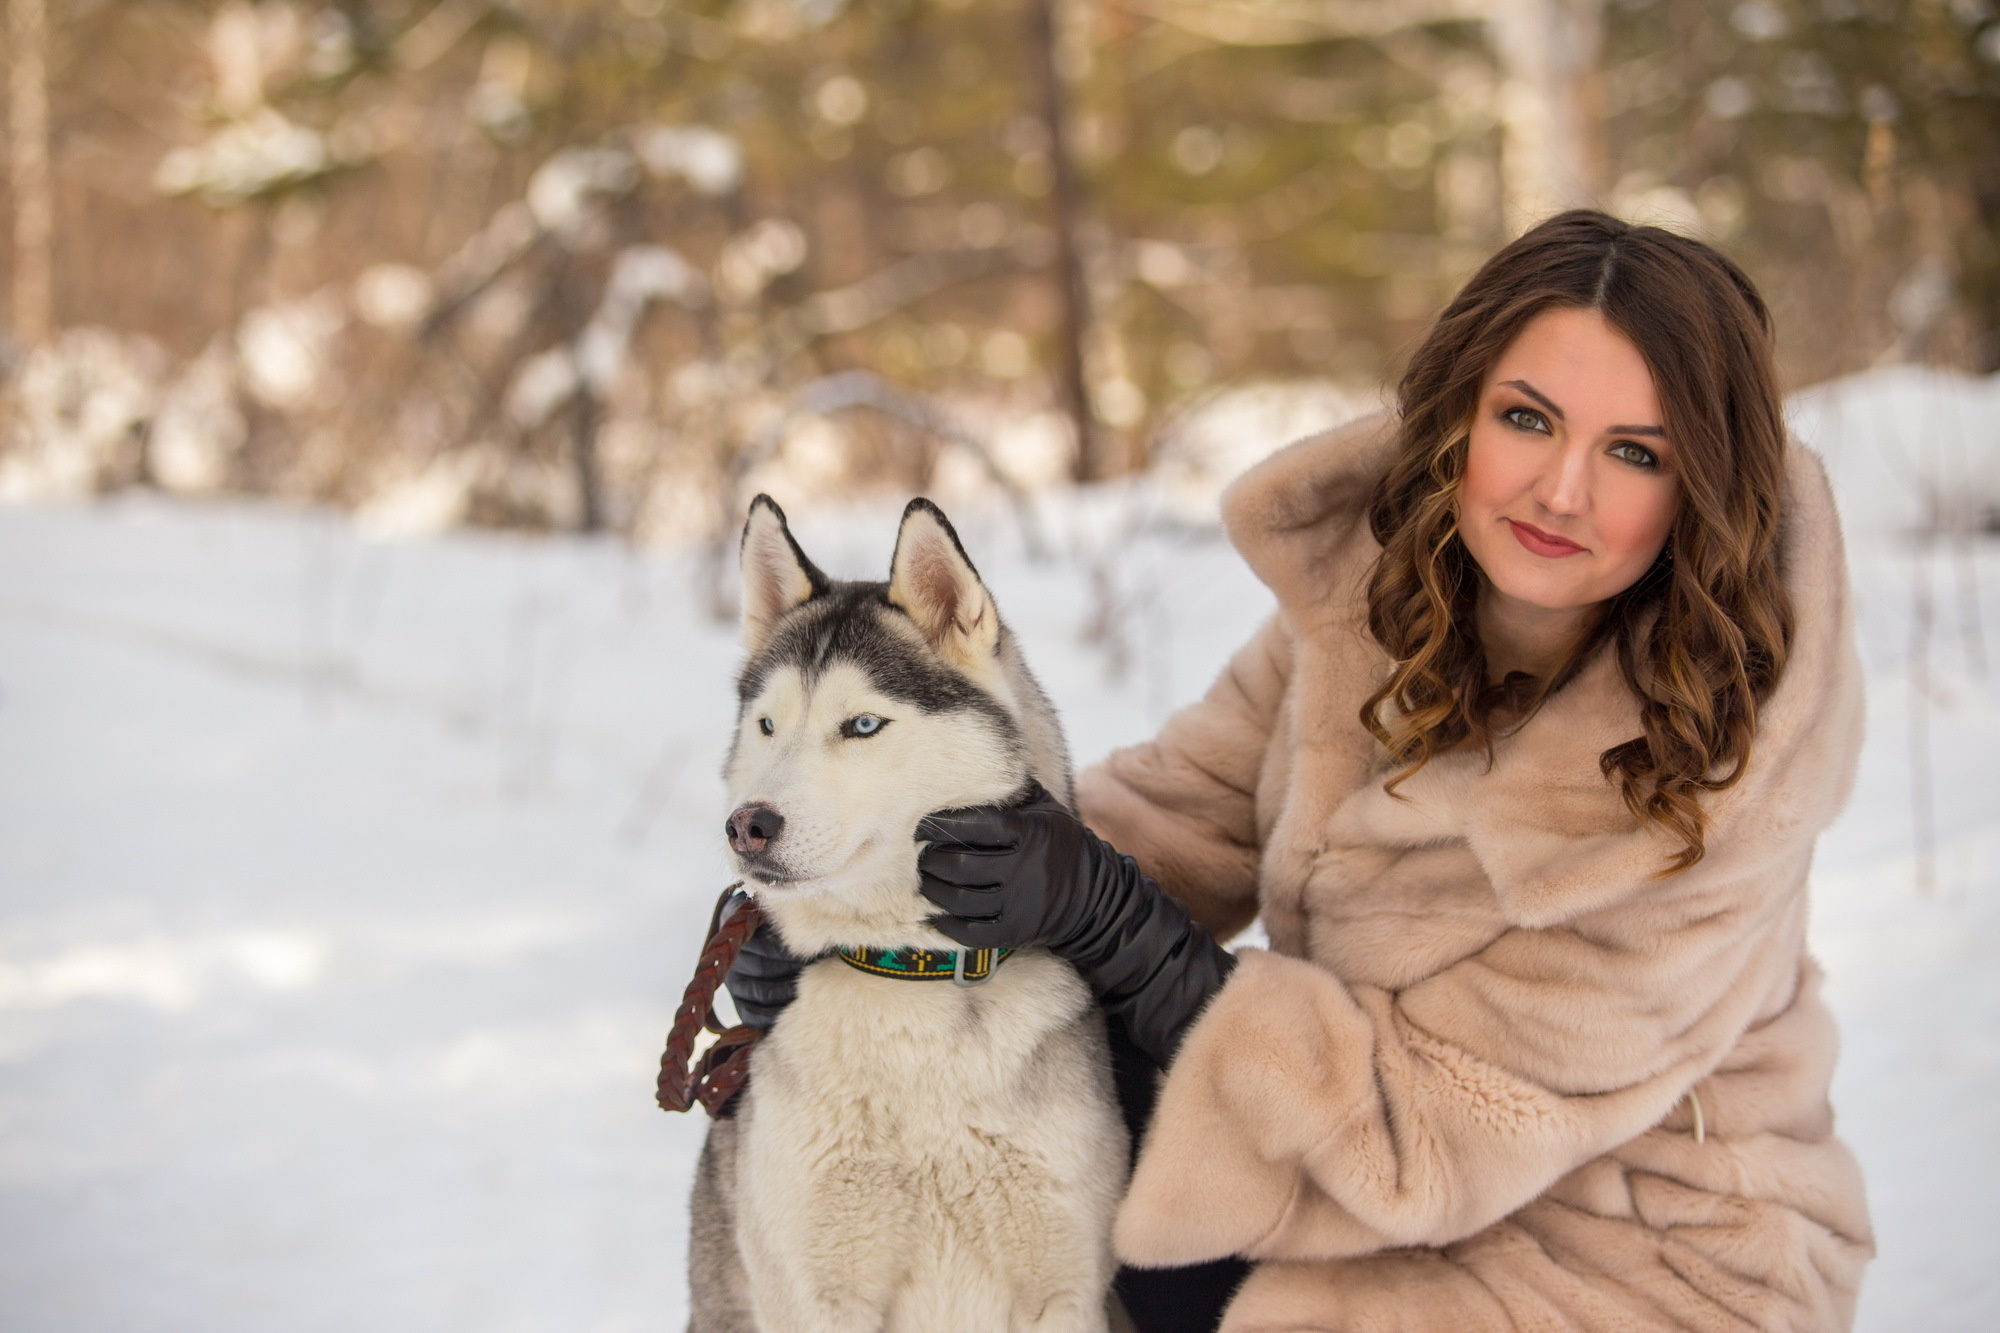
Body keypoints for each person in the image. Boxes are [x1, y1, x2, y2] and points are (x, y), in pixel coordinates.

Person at [726, 209, 1873, 1331]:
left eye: (1632, 453)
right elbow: (1171, 816)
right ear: (1457, 416)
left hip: (1630, 1266)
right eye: (1526, 419)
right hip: (1380, 1200)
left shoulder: (1715, 781)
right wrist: (858, 923)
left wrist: (1120, 931)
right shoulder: (1381, 610)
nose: (1559, 491)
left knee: (1101, 1142)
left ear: (1701, 489)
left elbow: (1418, 1134)